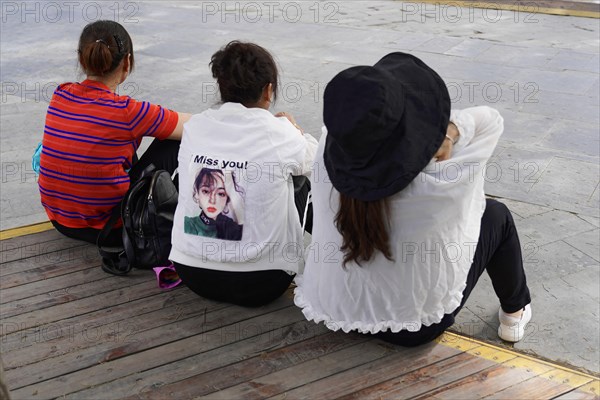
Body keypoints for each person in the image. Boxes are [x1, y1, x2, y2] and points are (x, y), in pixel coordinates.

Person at [294, 52, 532, 345]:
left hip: (338, 312)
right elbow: (490, 120)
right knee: (497, 216)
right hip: (415, 328)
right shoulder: (440, 180)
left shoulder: (326, 155)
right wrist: (450, 132)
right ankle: (514, 313)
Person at [170, 41, 318, 307]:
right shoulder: (278, 132)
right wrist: (295, 129)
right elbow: (317, 160)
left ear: (221, 87)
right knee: (299, 178)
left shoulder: (197, 126)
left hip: (192, 274)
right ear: (268, 90)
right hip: (262, 283)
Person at [38, 20, 191, 246]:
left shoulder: (61, 94)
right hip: (112, 229)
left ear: (81, 59)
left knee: (115, 145)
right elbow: (197, 126)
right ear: (127, 62)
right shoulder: (129, 112)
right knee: (172, 141)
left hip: (61, 222)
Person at [184, 167, 244, 240]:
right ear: (197, 193)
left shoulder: (230, 227)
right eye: (206, 191)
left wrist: (233, 193)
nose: (212, 200)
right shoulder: (188, 224)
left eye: (221, 194)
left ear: (227, 198)